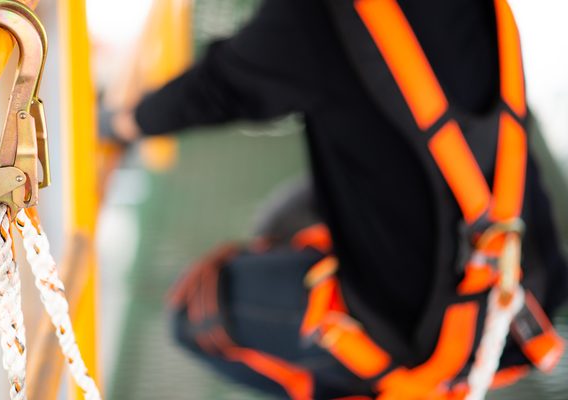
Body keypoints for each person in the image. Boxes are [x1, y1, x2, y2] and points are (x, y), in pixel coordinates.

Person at [103, 0, 568, 398]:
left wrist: (124, 123)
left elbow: (221, 86)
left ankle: (350, 387)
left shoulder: (323, 15)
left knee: (195, 313)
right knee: (286, 215)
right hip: (524, 288)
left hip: (422, 329)